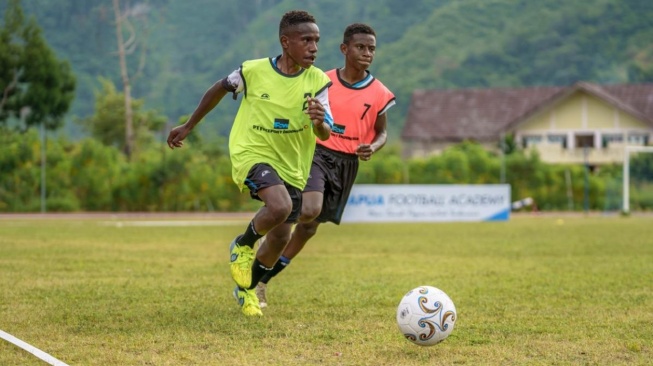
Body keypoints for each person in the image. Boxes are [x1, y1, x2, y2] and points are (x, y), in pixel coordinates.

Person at [167, 10, 333, 317]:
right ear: (286, 42)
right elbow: (219, 88)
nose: (314, 47)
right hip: (252, 153)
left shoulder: (319, 82)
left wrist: (319, 121)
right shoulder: (252, 71)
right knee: (280, 206)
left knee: (281, 237)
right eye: (306, 40)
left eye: (317, 41)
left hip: (293, 166)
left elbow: (325, 131)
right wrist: (189, 125)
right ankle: (243, 245)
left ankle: (246, 290)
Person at [255, 23, 396, 308]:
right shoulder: (322, 80)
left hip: (348, 163)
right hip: (317, 152)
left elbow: (382, 131)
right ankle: (268, 231)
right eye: (360, 47)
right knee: (308, 209)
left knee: (308, 229)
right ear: (344, 49)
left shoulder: (380, 92)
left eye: (371, 49)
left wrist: (374, 146)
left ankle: (262, 279)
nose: (367, 53)